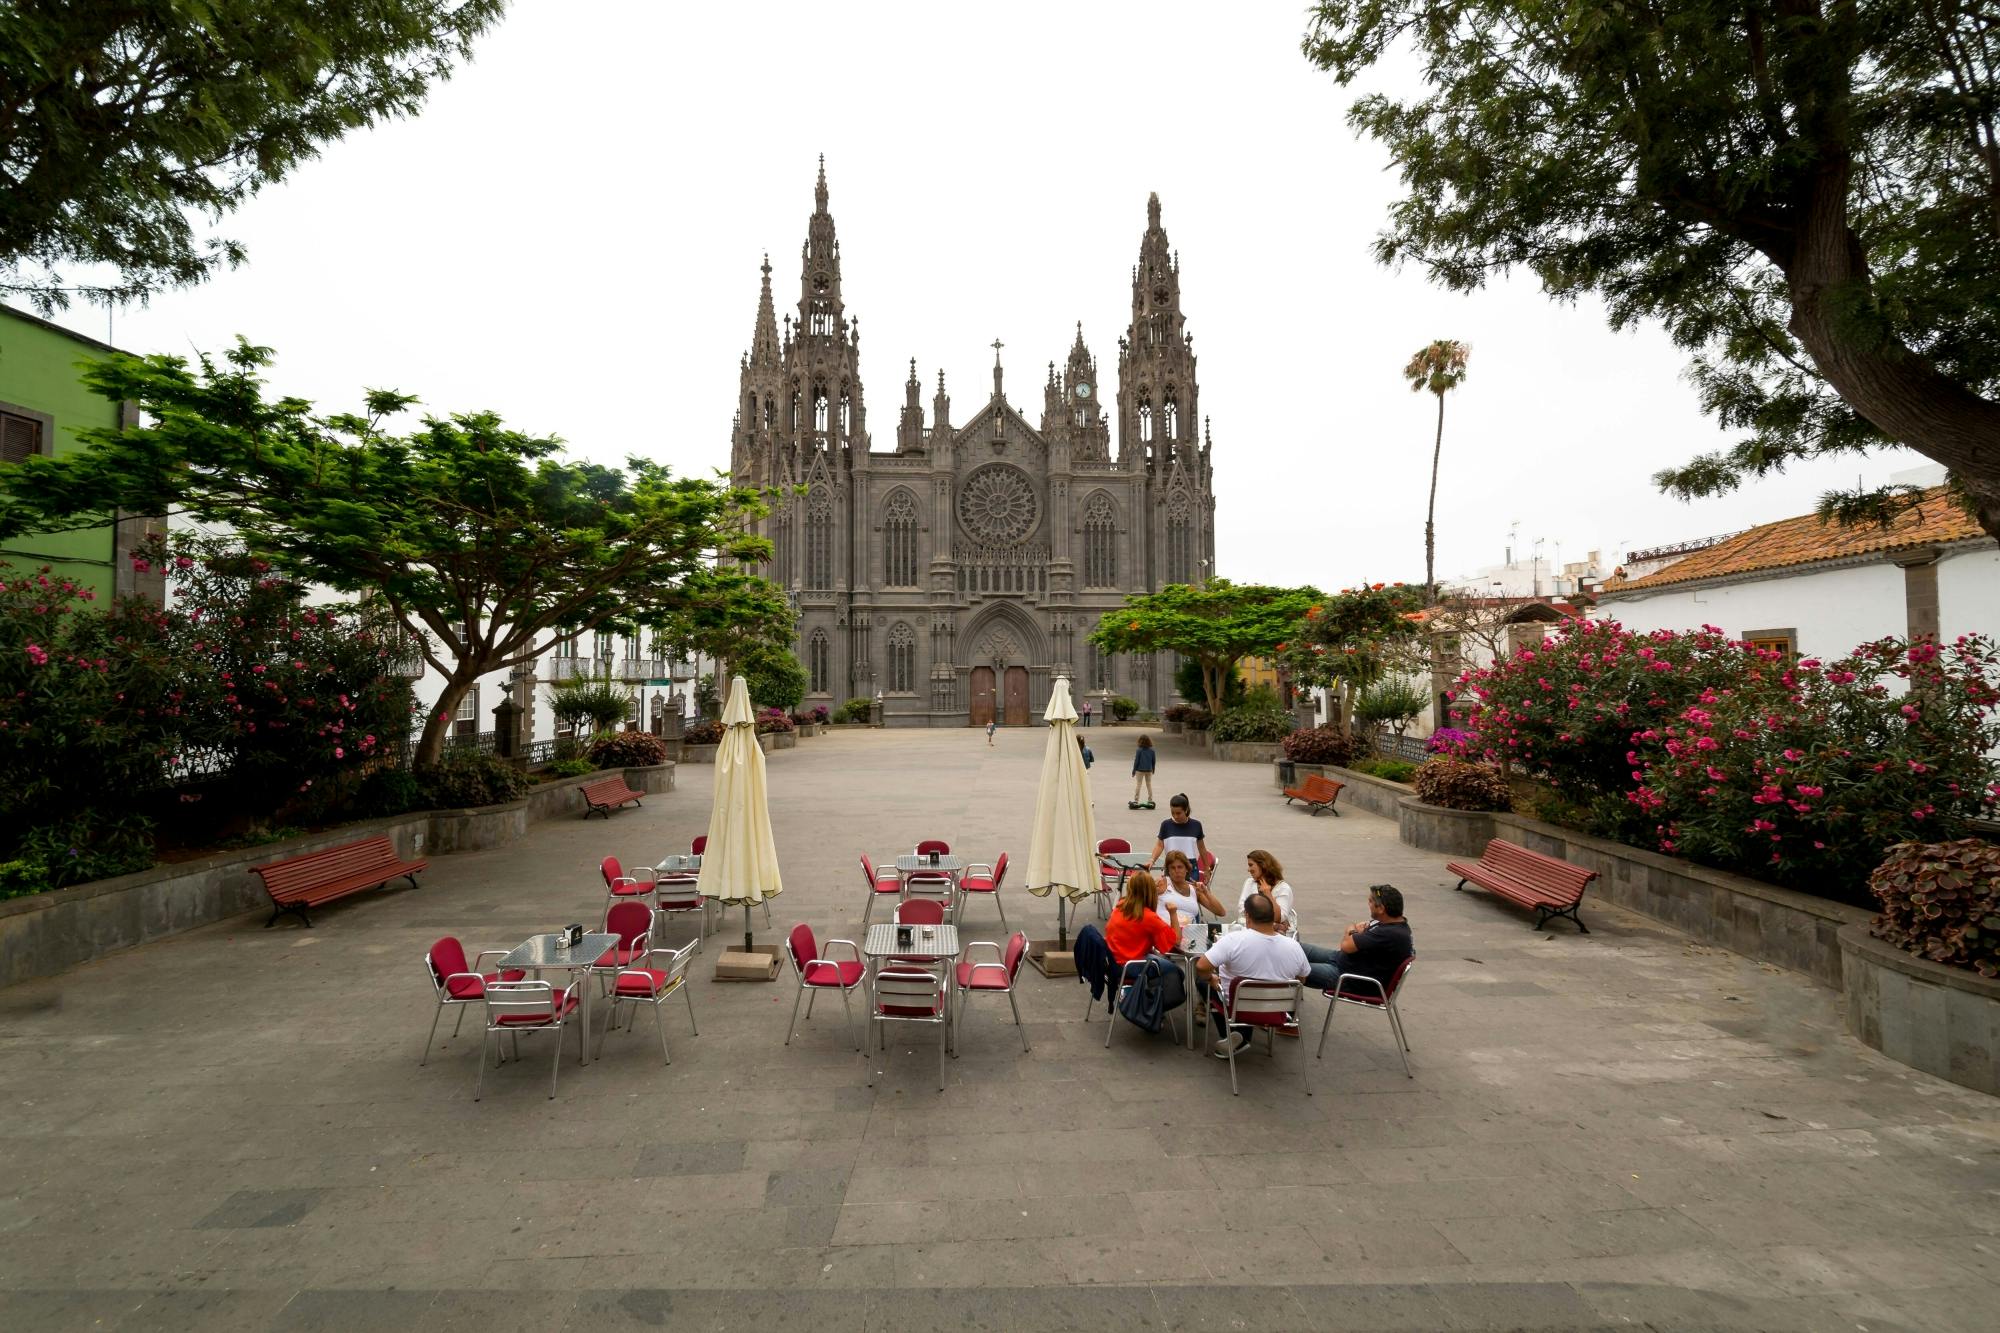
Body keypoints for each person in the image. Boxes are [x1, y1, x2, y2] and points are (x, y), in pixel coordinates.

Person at [1196, 892, 1310, 1057]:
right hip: (1277, 1010)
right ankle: (1240, 1035)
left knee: (1202, 981)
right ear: (1272, 917)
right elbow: (1302, 979)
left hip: (1238, 1008)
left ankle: (1231, 1035)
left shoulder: (1233, 940)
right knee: (1247, 992)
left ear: (1248, 916)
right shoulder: (1294, 946)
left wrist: (1211, 979)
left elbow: (1201, 966)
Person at [1301, 884, 1412, 994]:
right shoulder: (1394, 925)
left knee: (1291, 968)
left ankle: (1286, 1007)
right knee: (1296, 947)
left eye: (1371, 901)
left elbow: (1346, 946)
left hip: (1349, 979)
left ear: (1381, 909)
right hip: (1343, 961)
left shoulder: (1388, 933)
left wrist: (1351, 929)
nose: (1368, 904)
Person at [1104, 870, 1180, 968]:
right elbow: (1175, 942)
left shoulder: (1120, 906)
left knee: (1158, 960)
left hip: (1113, 962)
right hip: (1130, 965)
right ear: (1151, 891)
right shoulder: (1148, 916)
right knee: (1176, 971)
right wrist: (1173, 913)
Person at [1144, 795, 1208, 882]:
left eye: (1178, 813)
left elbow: (1202, 848)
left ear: (1185, 810)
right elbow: (1159, 845)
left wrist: (1207, 868)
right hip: (1171, 866)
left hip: (1190, 867)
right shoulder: (1166, 825)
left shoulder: (1196, 825)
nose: (1175, 816)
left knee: (1190, 893)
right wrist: (1151, 860)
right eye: (1172, 813)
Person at [1239, 849, 1298, 938]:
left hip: (1278, 938)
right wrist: (1274, 925)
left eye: (1251, 865)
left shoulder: (1283, 888)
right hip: (1251, 934)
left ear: (1262, 865)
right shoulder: (1249, 883)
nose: (1248, 869)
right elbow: (1242, 910)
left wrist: (1267, 893)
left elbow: (1279, 917)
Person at [1158, 849, 1226, 925]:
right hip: (1165, 931)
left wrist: (1206, 892)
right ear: (1169, 870)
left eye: (1180, 867)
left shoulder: (1194, 890)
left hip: (1189, 933)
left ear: (1186, 869)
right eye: (1172, 868)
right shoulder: (1162, 883)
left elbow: (1221, 912)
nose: (1176, 871)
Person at [1129, 734, 1157, 809]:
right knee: (1149, 785)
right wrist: (1153, 769)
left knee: (1138, 784)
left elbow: (1136, 761)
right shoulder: (1152, 750)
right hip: (1149, 770)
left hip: (1140, 770)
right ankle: (1150, 800)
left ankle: (1136, 800)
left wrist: (1134, 770)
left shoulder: (1139, 750)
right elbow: (1153, 761)